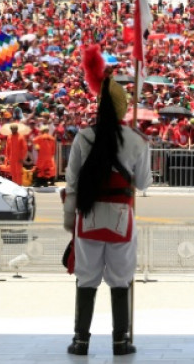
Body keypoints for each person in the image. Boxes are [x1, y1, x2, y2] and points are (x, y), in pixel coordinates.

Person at [63, 45, 151, 356]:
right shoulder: (137, 140)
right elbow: (143, 183)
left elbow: (71, 182)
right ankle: (120, 341)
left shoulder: (83, 137)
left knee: (86, 280)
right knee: (120, 280)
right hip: (121, 220)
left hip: (87, 216)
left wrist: (68, 221)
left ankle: (80, 341)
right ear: (123, 107)